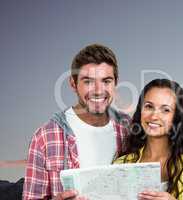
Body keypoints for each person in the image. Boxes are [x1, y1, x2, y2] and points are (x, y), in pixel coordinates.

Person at [23, 44, 130, 200]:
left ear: (115, 82)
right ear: (73, 83)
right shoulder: (45, 137)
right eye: (88, 82)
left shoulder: (128, 127)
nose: (99, 90)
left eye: (106, 81)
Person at [114, 79, 183, 200]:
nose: (154, 116)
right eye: (149, 106)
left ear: (176, 117)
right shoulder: (121, 164)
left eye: (165, 110)